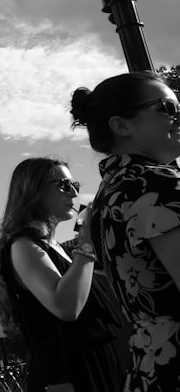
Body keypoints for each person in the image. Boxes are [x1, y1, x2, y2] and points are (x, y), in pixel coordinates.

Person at [71, 71, 180, 390]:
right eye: (167, 108)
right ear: (121, 125)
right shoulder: (155, 183)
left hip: (151, 368)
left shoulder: (110, 192)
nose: (178, 116)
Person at [0, 156, 128, 392]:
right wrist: (87, 246)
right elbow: (66, 306)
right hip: (68, 374)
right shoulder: (23, 245)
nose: (73, 194)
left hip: (99, 370)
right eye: (64, 185)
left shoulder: (59, 249)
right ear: (32, 191)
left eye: (76, 186)